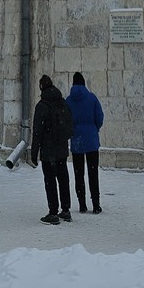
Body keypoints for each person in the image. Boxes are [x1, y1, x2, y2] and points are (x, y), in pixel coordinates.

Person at [30, 73, 73, 225]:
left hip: (48, 150)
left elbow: (37, 131)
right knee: (63, 179)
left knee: (50, 181)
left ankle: (53, 212)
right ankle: (66, 210)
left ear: (41, 87)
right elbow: (69, 122)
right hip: (61, 148)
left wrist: (34, 153)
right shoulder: (62, 102)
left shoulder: (42, 106)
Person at [65, 72, 104, 213]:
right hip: (91, 140)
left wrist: (73, 132)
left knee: (78, 173)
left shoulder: (68, 101)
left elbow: (66, 120)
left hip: (76, 141)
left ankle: (82, 204)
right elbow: (99, 117)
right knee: (93, 173)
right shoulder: (92, 98)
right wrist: (94, 129)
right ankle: (96, 204)